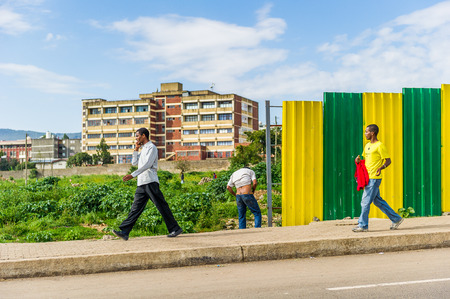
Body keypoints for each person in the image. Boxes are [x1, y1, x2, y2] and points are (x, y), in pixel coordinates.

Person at [113, 128, 183, 240]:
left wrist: (132, 175)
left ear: (143, 136)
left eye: (137, 136)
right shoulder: (143, 149)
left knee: (161, 206)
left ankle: (175, 228)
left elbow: (148, 164)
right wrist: (136, 150)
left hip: (150, 181)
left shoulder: (152, 148)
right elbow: (135, 163)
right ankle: (125, 231)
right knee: (135, 209)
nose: (136, 138)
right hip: (141, 183)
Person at [353, 124, 403, 232]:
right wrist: (358, 161)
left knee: (365, 202)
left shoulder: (380, 146)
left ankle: (363, 225)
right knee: (377, 201)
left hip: (374, 178)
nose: (365, 133)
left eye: (367, 132)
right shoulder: (367, 146)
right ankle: (396, 219)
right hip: (368, 177)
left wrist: (381, 167)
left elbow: (388, 161)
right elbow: (367, 161)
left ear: (373, 133)